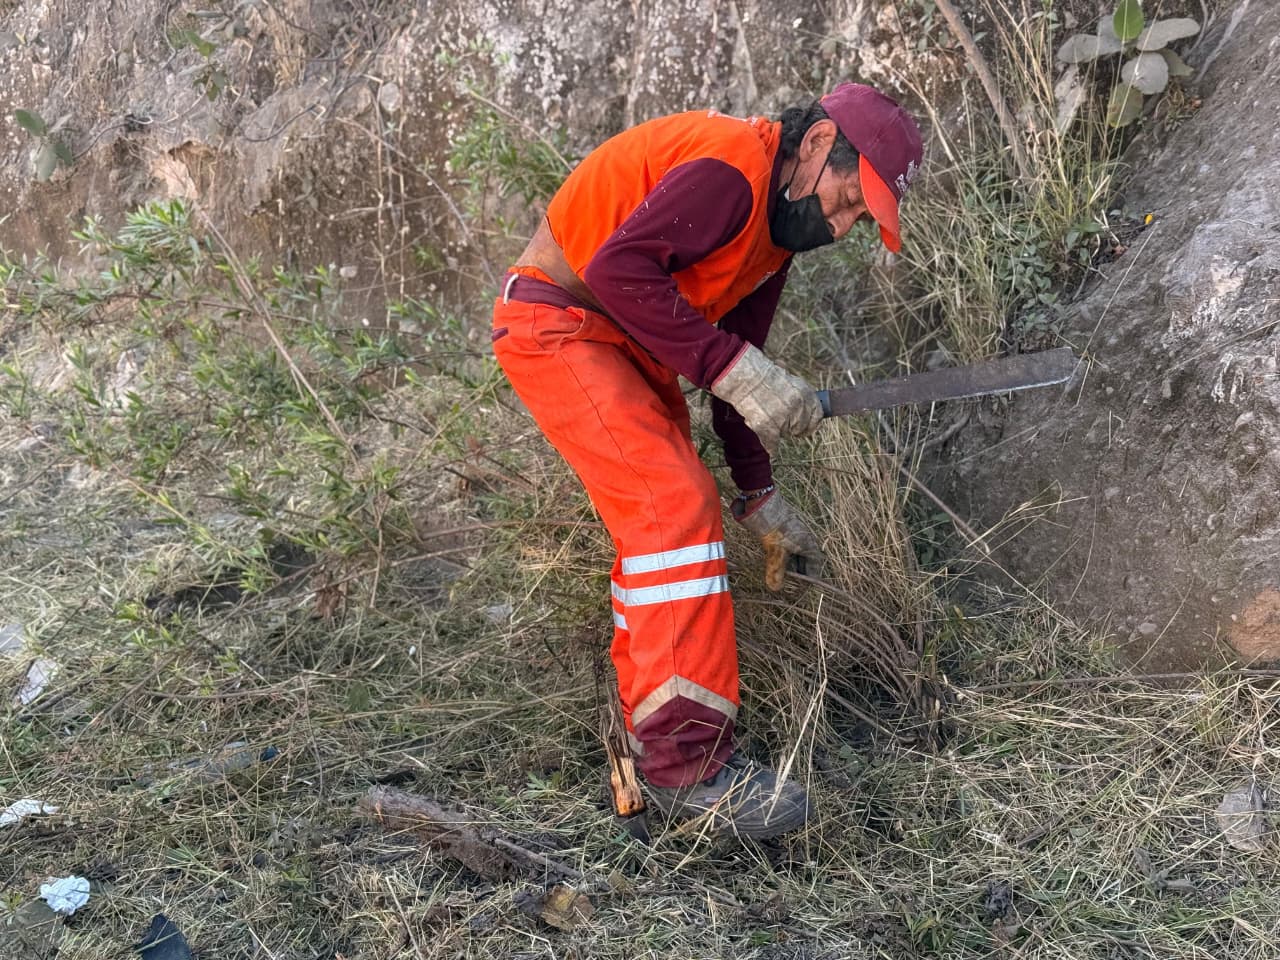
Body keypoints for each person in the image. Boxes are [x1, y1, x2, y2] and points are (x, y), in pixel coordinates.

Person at [490, 82, 923, 838]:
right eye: (850, 200)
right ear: (817, 145)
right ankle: (686, 771)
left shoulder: (777, 238)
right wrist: (733, 367)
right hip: (561, 324)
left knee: (658, 530)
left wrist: (762, 497)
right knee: (672, 506)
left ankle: (648, 731)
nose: (845, 225)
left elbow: (736, 371)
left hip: (620, 343)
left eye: (861, 217)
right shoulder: (730, 171)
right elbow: (623, 271)